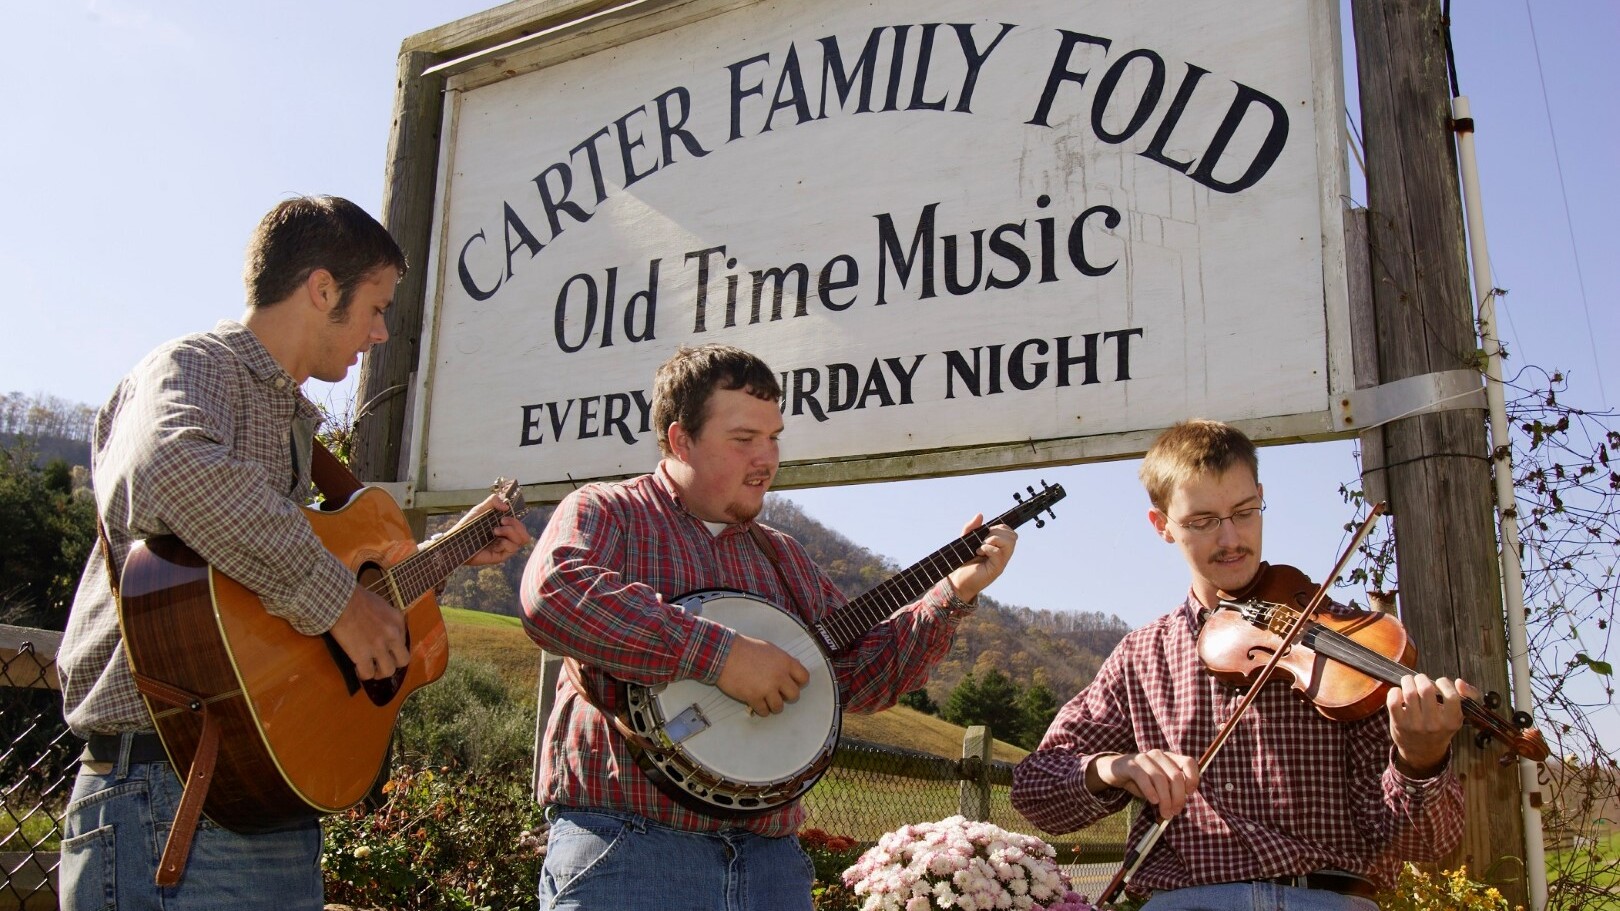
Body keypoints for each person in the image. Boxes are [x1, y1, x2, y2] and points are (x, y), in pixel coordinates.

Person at [56, 195, 532, 911]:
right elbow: (167, 470)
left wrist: (447, 551)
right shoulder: (199, 366)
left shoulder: (289, 425)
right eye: (376, 307)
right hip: (171, 801)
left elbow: (277, 583)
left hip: (255, 802)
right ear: (321, 289)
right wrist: (339, 601)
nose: (378, 333)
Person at [520, 342, 1019, 911]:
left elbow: (858, 676)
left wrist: (952, 594)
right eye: (744, 440)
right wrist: (721, 655)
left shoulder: (782, 557)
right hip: (628, 850)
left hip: (770, 866)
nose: (767, 458)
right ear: (681, 438)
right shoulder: (609, 511)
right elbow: (552, 594)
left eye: (774, 437)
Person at [1011, 419, 1469, 911]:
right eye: (1203, 521)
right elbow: (1035, 789)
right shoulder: (1141, 656)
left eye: (1245, 512)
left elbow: (1427, 846)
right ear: (1162, 524)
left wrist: (1420, 762)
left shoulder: (1350, 643)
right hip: (1186, 901)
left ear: (1262, 496)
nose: (1231, 538)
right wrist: (1113, 767)